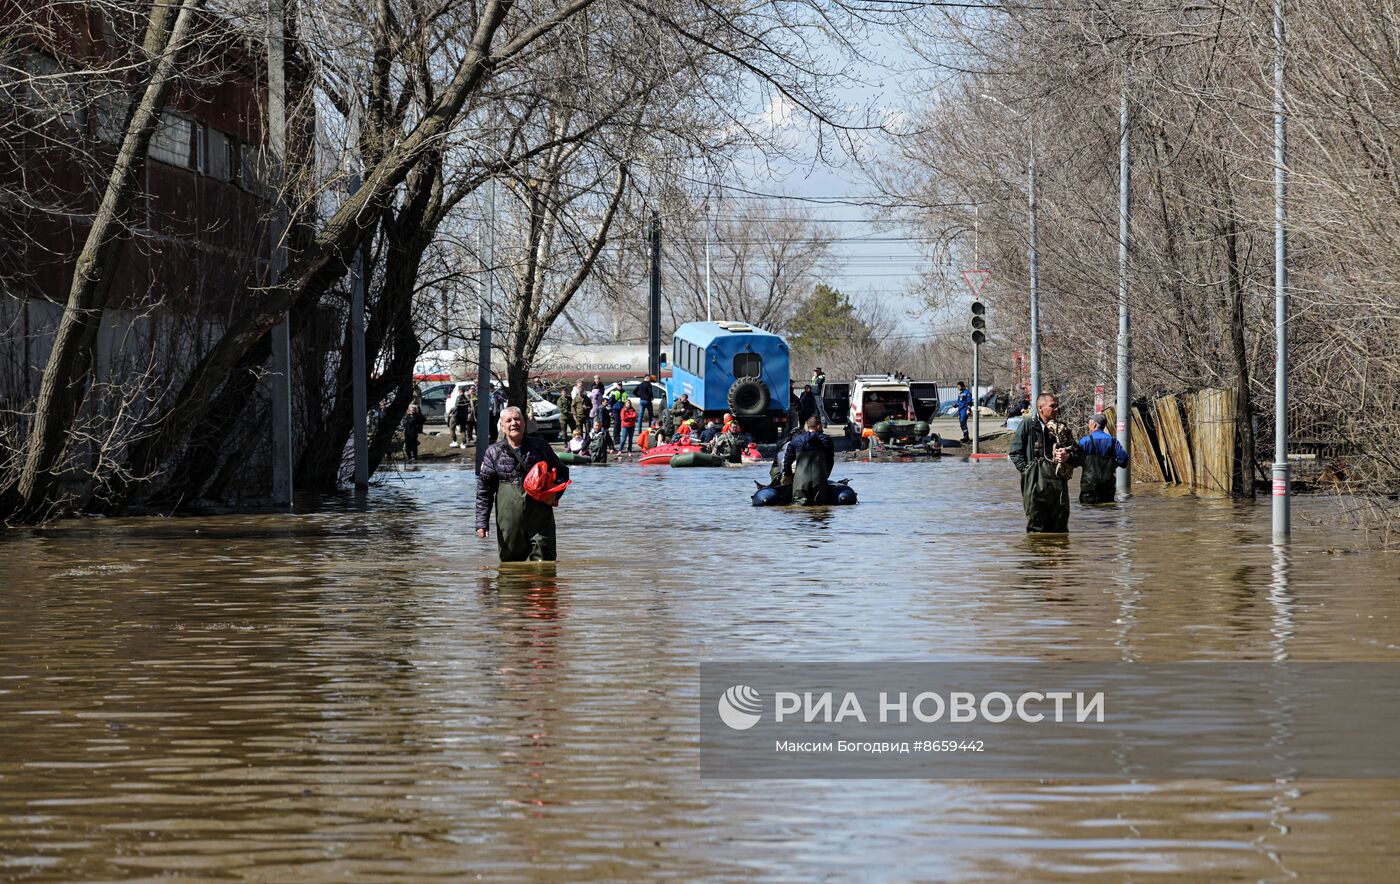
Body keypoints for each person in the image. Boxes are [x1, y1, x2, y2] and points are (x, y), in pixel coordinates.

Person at [475, 406, 570, 562]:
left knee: (544, 567)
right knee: (511, 571)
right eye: (509, 420)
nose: (514, 423)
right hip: (509, 523)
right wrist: (481, 523)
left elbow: (562, 472)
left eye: (517, 419)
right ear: (502, 426)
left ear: (524, 423)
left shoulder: (540, 446)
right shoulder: (493, 452)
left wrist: (554, 494)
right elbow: (484, 491)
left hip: (540, 519)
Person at [1008, 393, 1084, 533]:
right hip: (1035, 482)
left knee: (1060, 527)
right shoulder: (1028, 425)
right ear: (1040, 407)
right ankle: (1038, 554)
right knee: (1036, 526)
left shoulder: (1062, 428)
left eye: (1056, 405)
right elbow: (1014, 452)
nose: (1056, 409)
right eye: (1052, 406)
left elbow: (1080, 456)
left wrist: (1068, 457)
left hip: (1058, 483)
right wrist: (1027, 470)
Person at [1077, 413, 1130, 504]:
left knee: (1088, 511)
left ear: (1094, 425)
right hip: (1108, 485)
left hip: (1089, 485)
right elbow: (1123, 459)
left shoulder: (1084, 441)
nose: (1088, 426)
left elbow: (1075, 460)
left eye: (1089, 424)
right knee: (1108, 509)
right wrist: (1114, 464)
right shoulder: (1112, 441)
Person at [782, 416, 835, 504]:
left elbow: (787, 460)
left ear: (808, 426)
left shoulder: (796, 440)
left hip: (800, 480)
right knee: (821, 507)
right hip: (819, 478)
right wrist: (826, 475)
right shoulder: (826, 440)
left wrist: (787, 474)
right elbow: (830, 460)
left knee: (799, 508)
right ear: (818, 426)